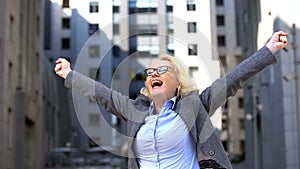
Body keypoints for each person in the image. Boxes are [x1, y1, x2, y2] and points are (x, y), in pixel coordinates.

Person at [54, 31, 288, 169]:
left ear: (177, 81)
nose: (154, 74)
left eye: (162, 70)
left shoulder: (194, 105)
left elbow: (232, 80)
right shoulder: (135, 110)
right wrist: (69, 74)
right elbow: (102, 93)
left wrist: (268, 49)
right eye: (150, 72)